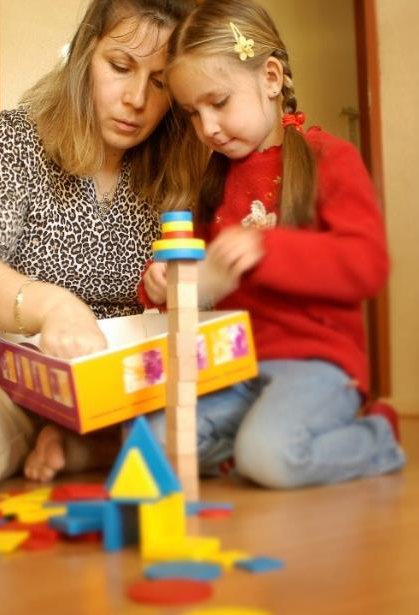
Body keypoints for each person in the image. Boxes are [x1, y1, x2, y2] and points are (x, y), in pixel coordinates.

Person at [0, 0, 203, 509]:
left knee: (211, 420)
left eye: (161, 82)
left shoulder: (180, 168)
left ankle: (87, 444)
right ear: (84, 55)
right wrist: (53, 307)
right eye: (120, 67)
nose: (137, 99)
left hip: (123, 388)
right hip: (10, 373)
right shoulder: (18, 138)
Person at [141, 0, 405, 488]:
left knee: (270, 458)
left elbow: (366, 264)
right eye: (193, 114)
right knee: (159, 440)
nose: (208, 128)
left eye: (218, 103)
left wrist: (268, 250)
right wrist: (161, 283)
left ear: (270, 78)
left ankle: (376, 436)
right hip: (237, 367)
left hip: (317, 365)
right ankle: (249, 447)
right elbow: (196, 280)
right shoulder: (212, 182)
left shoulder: (331, 158)